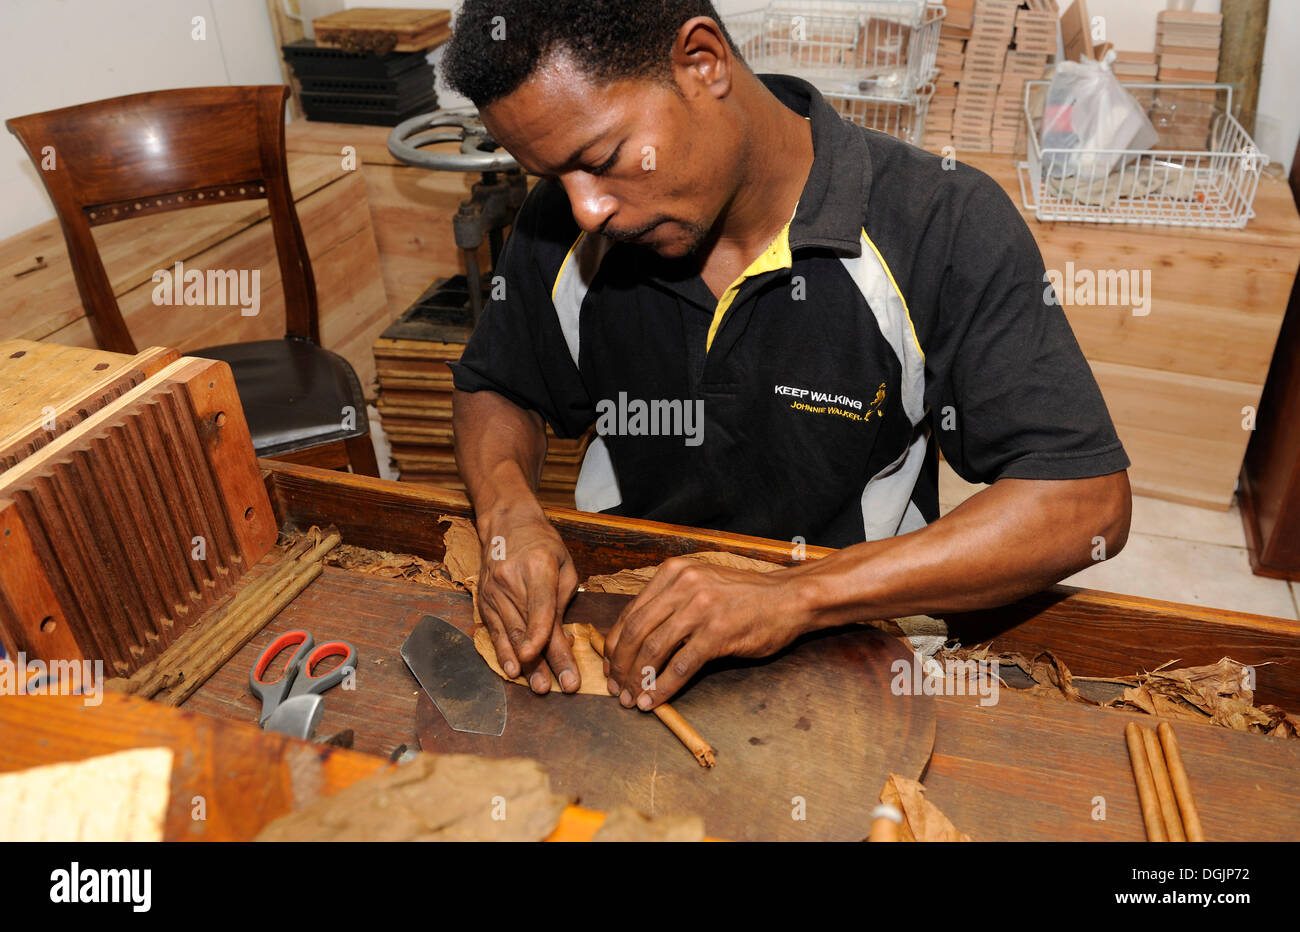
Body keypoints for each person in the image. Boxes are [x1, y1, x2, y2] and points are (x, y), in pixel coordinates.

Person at [441, 0, 1132, 711]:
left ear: (701, 62)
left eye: (604, 159)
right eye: (556, 177)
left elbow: (1084, 503)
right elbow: (498, 385)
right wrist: (507, 513)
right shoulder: (566, 227)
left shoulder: (939, 223)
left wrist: (800, 593)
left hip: (857, 636)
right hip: (627, 627)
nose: (587, 210)